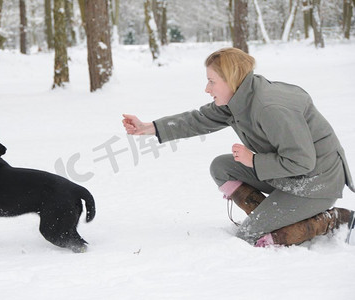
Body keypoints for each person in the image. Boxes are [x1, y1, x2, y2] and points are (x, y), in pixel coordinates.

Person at [122, 47, 355, 247]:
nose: (207, 88)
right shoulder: (238, 99)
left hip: (316, 182)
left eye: (212, 81)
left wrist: (253, 160)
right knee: (222, 167)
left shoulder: (269, 107)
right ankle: (274, 214)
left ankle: (334, 219)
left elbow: (302, 161)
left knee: (251, 235)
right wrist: (148, 127)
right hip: (286, 175)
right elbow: (198, 119)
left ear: (231, 79)